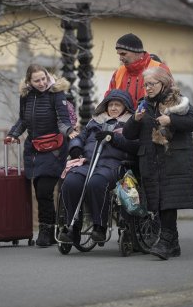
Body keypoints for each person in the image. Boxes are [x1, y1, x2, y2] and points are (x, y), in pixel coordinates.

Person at [123, 66, 193, 260]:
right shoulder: (143, 105)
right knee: (158, 201)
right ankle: (172, 243)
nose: (147, 88)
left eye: (151, 84)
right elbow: (128, 134)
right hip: (150, 159)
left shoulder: (178, 101)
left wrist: (171, 120)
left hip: (172, 159)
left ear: (163, 83)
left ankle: (166, 242)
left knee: (168, 200)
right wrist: (134, 119)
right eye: (145, 84)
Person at [5, 64, 76, 247]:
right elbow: (23, 119)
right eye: (37, 80)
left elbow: (62, 120)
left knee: (45, 189)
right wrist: (13, 134)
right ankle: (49, 230)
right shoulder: (26, 95)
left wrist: (69, 132)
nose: (42, 83)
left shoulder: (56, 93)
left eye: (43, 78)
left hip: (54, 148)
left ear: (47, 77)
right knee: (39, 191)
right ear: (29, 82)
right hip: (34, 148)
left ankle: (47, 230)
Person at [58, 89, 139, 243]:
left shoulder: (131, 124)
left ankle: (99, 227)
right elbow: (80, 137)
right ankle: (72, 227)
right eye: (111, 104)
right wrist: (75, 147)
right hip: (88, 163)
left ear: (125, 107)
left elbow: (135, 145)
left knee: (96, 182)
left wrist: (113, 137)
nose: (114, 108)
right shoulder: (95, 122)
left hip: (114, 165)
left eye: (118, 105)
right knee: (71, 182)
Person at [106, 33, 171, 109]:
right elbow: (108, 100)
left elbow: (171, 98)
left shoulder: (160, 68)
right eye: (119, 54)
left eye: (123, 54)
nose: (120, 58)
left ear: (137, 52)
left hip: (152, 119)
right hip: (124, 120)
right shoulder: (118, 72)